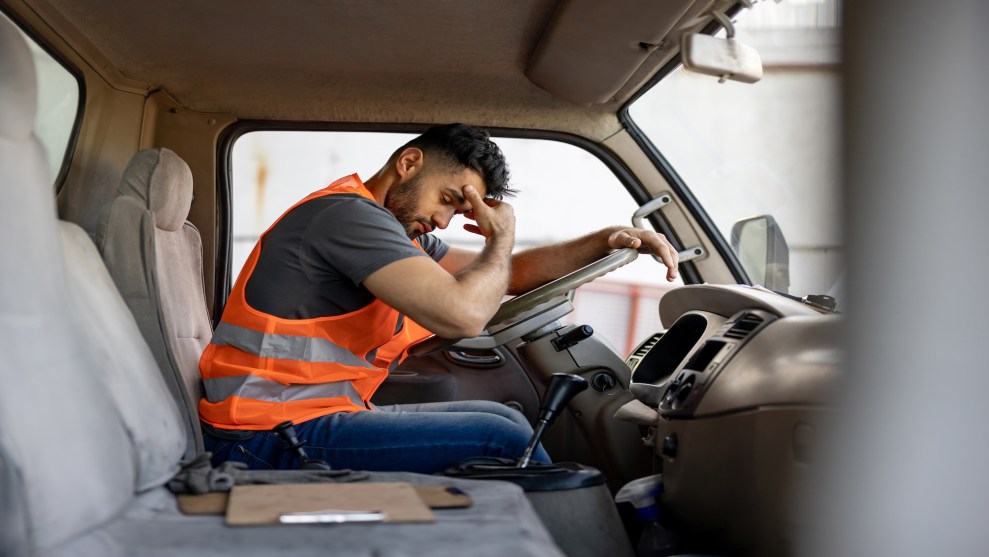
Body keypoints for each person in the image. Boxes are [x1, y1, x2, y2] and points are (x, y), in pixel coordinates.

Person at [199, 123, 679, 474]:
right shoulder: (347, 218)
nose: (447, 220)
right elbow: (464, 315)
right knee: (503, 437)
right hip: (263, 435)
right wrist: (499, 238)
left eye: (463, 208)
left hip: (299, 418)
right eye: (449, 199)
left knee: (501, 416)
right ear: (409, 163)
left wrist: (609, 238)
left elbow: (511, 276)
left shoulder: (397, 233)